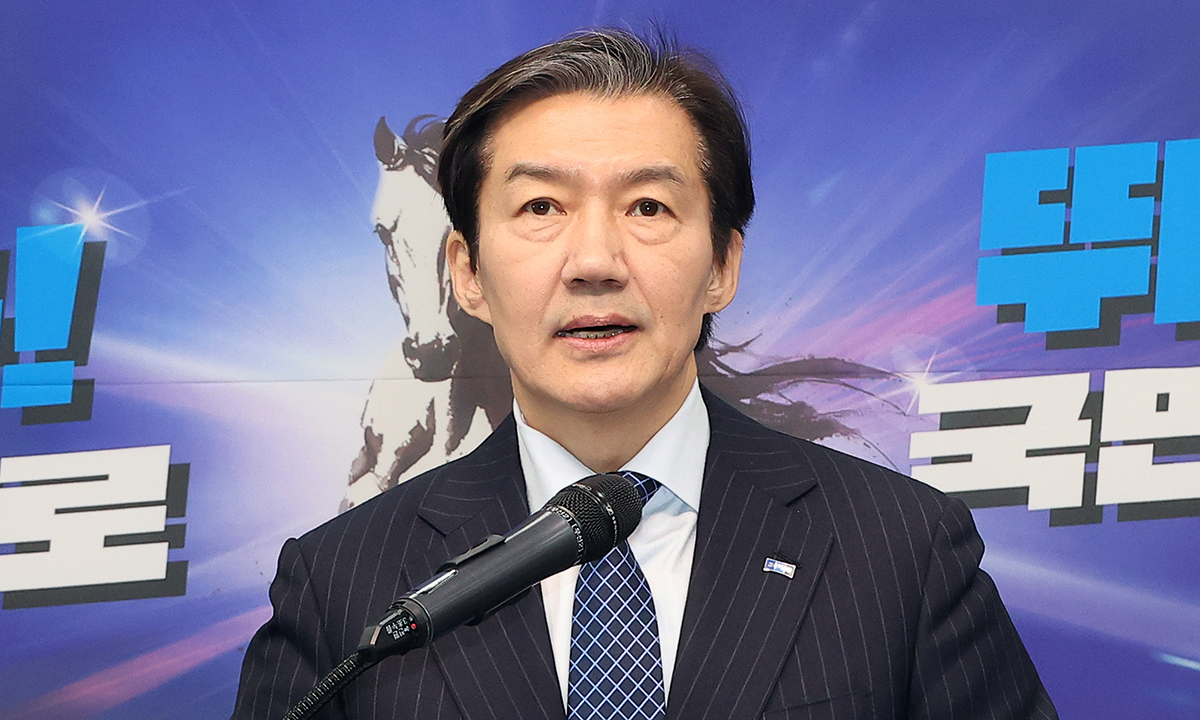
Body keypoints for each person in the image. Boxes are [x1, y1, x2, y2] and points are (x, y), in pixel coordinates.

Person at [232, 29, 1058, 720]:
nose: (595, 261)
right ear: (467, 273)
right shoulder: (343, 587)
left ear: (722, 265)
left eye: (648, 208)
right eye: (541, 208)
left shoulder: (901, 550)